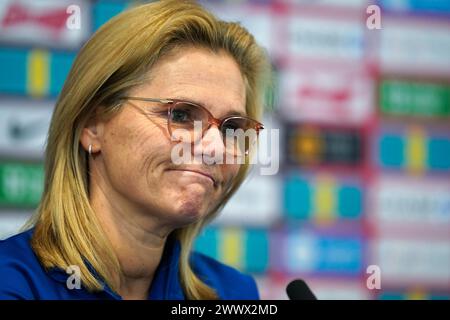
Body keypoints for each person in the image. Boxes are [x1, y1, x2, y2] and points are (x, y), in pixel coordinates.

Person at [0, 0, 270, 300]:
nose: (215, 148)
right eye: (180, 115)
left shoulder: (232, 293)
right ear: (92, 124)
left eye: (231, 129)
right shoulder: (11, 285)